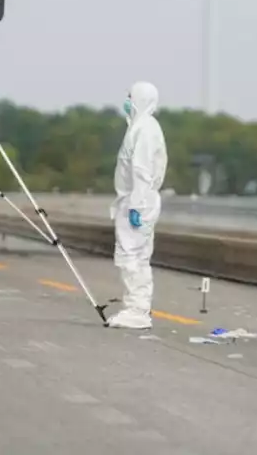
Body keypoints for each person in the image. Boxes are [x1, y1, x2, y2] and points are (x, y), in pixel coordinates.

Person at [106, 81, 167, 329]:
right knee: (138, 256)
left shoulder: (144, 129)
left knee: (130, 255)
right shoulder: (141, 127)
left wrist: (136, 205)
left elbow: (142, 170)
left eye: (130, 96)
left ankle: (136, 310)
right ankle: (138, 307)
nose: (127, 100)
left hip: (137, 200)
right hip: (137, 199)